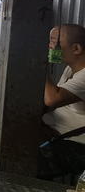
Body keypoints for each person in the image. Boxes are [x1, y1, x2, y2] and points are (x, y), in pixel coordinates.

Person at [38, 24, 85, 180]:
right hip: (58, 133)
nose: (50, 46)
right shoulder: (72, 68)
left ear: (76, 49)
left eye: (54, 42)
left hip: (78, 144)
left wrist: (39, 65)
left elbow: (52, 99)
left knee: (29, 163)